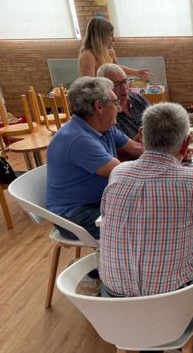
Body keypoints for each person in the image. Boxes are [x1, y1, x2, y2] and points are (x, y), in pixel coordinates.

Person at [99, 102, 193, 353]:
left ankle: (149, 345)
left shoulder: (118, 173)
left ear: (142, 134)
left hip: (115, 312)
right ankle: (182, 331)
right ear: (186, 143)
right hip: (174, 311)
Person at [46, 76, 143, 240]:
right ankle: (117, 265)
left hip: (97, 203)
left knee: (149, 214)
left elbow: (137, 149)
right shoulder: (78, 139)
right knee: (144, 225)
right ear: (99, 106)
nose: (119, 109)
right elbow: (123, 173)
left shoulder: (105, 128)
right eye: (115, 102)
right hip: (76, 216)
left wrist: (175, 148)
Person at [78, 16, 151, 80]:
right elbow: (90, 85)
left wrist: (135, 72)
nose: (114, 39)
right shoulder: (87, 56)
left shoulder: (110, 51)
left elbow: (116, 68)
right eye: (110, 35)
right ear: (99, 37)